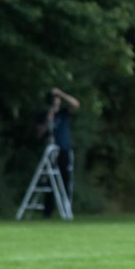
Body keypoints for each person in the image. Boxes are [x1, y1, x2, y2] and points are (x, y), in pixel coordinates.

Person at [35, 87, 80, 217]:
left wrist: (61, 93)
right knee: (49, 182)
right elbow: (39, 133)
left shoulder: (64, 113)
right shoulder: (43, 115)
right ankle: (47, 212)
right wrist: (49, 116)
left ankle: (66, 209)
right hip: (50, 150)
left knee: (65, 181)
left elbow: (75, 104)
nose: (56, 101)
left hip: (64, 150)